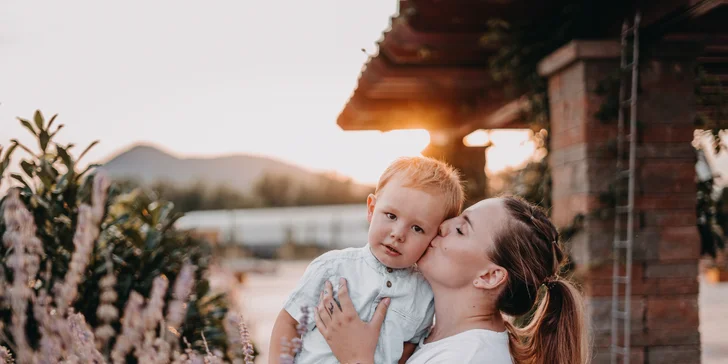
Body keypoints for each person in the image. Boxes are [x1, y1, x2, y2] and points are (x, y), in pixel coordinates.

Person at [315, 196, 590, 364]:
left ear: (489, 276)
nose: (444, 225)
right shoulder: (431, 332)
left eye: (461, 229)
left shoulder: (471, 358)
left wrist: (356, 359)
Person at [269, 156, 464, 364]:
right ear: (371, 208)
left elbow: (407, 352)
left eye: (417, 228)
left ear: (435, 237)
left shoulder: (425, 294)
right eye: (391, 216)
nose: (398, 234)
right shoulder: (332, 268)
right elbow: (289, 322)